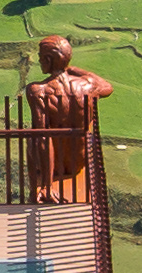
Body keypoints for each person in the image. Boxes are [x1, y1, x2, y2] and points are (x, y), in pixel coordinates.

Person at [24, 32, 113, 202]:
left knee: (33, 136)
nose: (39, 60)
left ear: (49, 60)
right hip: (77, 162)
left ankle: (43, 185)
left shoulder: (38, 91)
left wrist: (48, 186)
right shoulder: (88, 86)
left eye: (41, 57)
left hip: (55, 167)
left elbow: (44, 137)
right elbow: (107, 86)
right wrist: (71, 69)